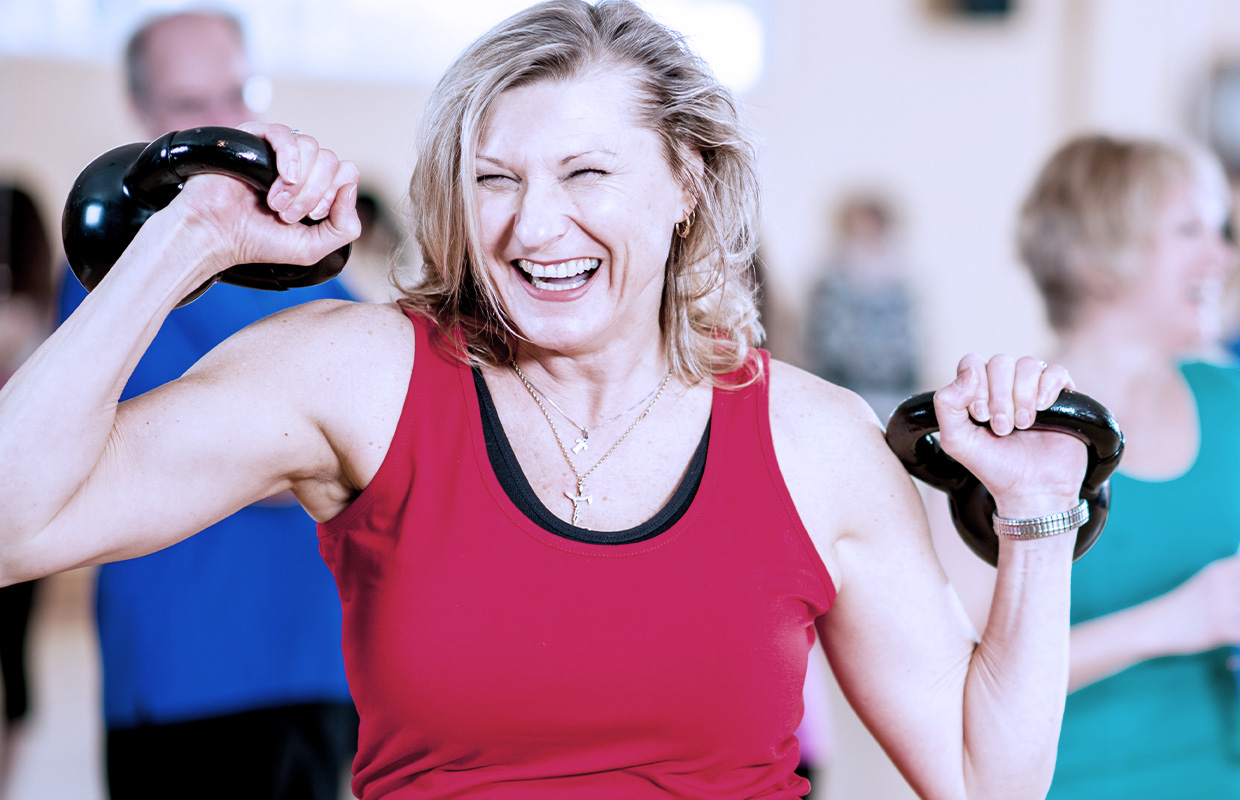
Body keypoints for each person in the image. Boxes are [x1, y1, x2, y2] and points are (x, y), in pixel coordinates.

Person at [7, 2, 1089, 797]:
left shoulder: (814, 440)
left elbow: (982, 777)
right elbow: (20, 518)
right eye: (495, 179)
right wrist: (184, 241)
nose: (534, 227)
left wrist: (1038, 517)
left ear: (685, 185)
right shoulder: (364, 376)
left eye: (586, 175)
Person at [54, 10, 357, 799]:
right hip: (184, 674)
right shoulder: (115, 258)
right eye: (192, 105)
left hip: (316, 664)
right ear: (142, 115)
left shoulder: (304, 251)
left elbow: (362, 434)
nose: (223, 128)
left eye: (237, 94)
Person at [985, 134, 1237, 797]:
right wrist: (1182, 620)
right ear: (1096, 257)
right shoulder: (999, 435)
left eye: (1221, 229)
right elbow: (965, 683)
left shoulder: (1231, 403)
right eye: (1191, 230)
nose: (1223, 256)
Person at [0, 183, 54, 795]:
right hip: (23, 506)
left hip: (16, 505)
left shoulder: (31, 313)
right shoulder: (44, 309)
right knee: (14, 659)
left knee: (13, 659)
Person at [805, 194, 919, 420]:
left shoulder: (899, 285)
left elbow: (908, 344)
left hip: (893, 394)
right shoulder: (829, 282)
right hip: (841, 391)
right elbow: (822, 343)